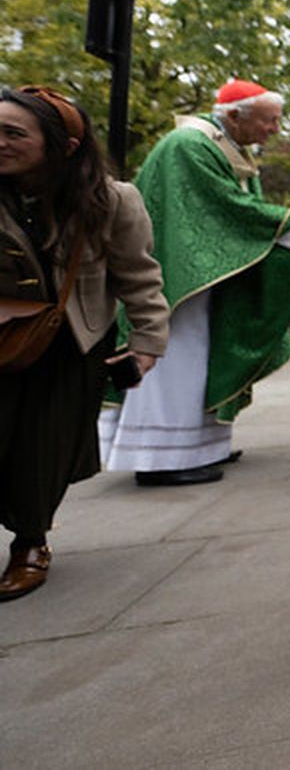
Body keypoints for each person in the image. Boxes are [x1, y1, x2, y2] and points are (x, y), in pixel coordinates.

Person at [98, 79, 290, 486]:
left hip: (199, 280)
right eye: (269, 121)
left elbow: (242, 210)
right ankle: (158, 459)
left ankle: (202, 446)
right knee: (177, 363)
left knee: (199, 361)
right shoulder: (190, 145)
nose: (275, 129)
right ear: (235, 115)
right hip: (179, 280)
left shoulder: (228, 147)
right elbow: (230, 209)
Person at [0, 86, 169, 600]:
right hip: (2, 336)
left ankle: (30, 543)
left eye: (13, 133)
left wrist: (147, 343)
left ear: (62, 145)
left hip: (70, 345)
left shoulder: (113, 200)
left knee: (39, 450)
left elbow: (139, 277)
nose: (0, 143)